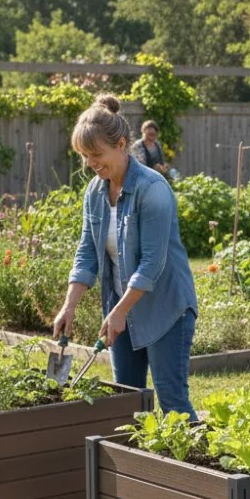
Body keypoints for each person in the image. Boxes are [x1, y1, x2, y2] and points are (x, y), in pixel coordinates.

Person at [52, 95, 198, 416]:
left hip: (166, 309)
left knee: (172, 404)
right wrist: (69, 305)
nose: (90, 163)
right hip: (123, 310)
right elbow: (87, 251)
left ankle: (194, 464)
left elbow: (152, 264)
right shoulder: (95, 192)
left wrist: (118, 311)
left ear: (121, 144)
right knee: (127, 404)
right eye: (84, 156)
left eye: (96, 154)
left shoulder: (152, 189)